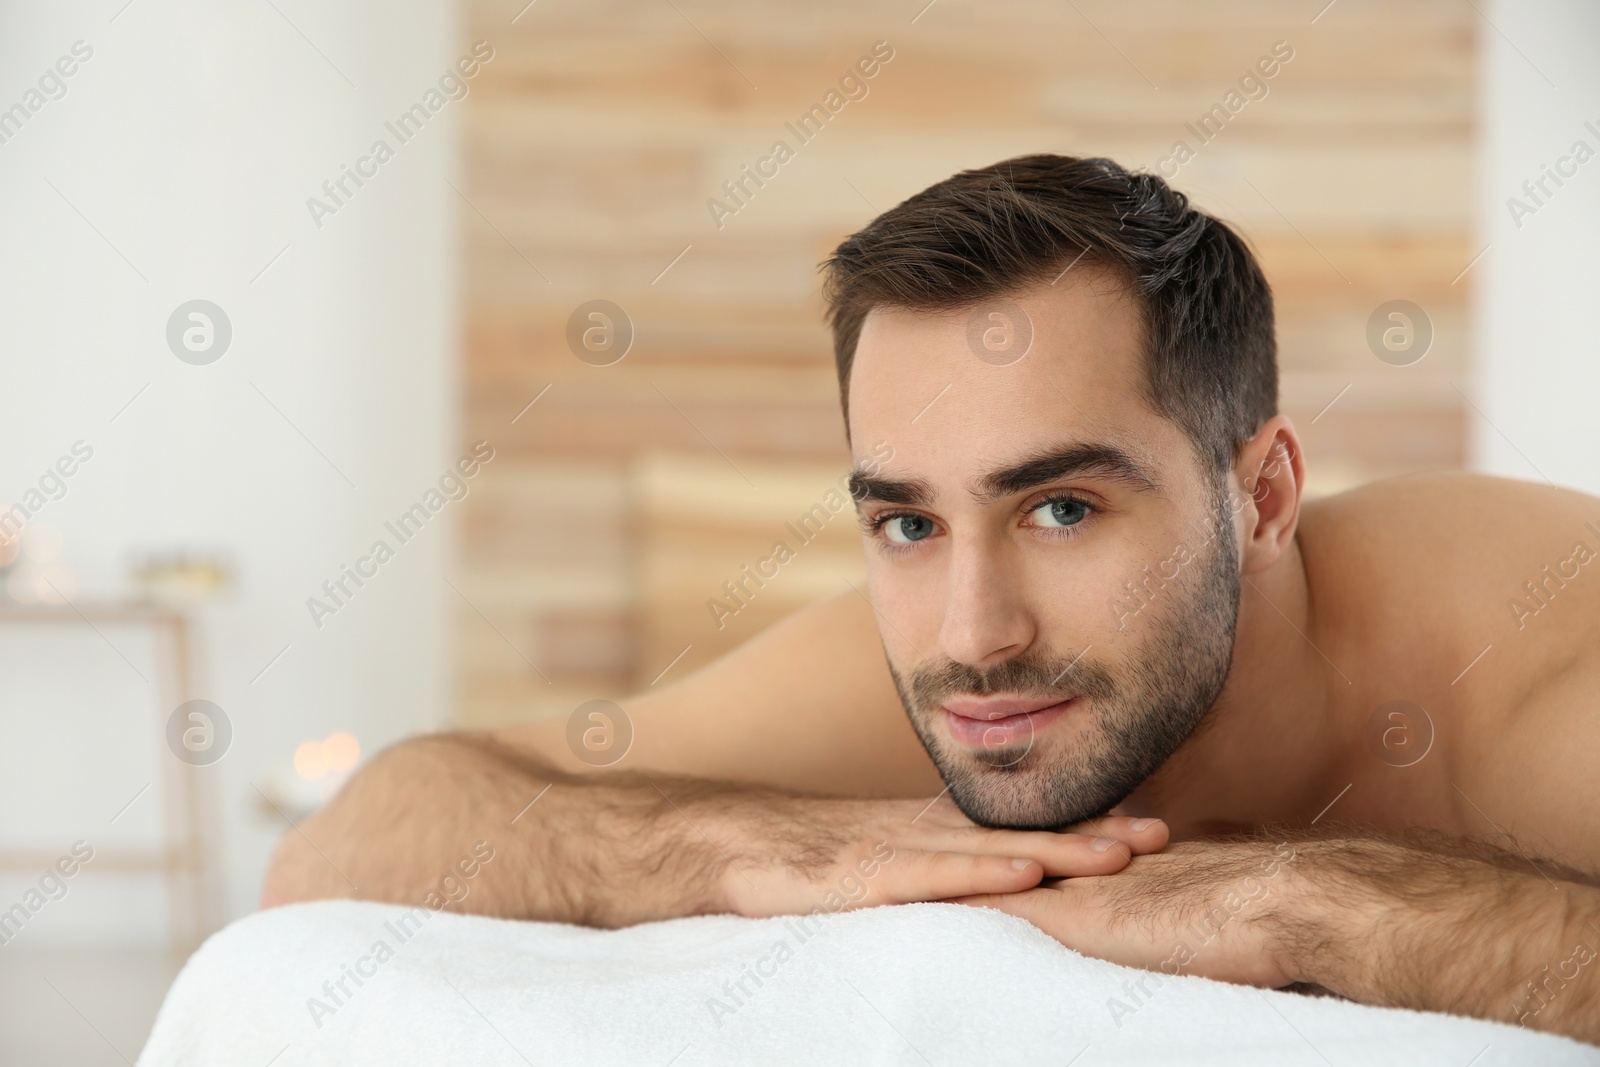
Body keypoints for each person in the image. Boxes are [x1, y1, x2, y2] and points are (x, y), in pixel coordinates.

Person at [264, 154, 1600, 1043]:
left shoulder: (1542, 666)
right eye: (905, 521)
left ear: (1261, 497)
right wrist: (729, 850)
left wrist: (1299, 902)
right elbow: (340, 847)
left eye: (1062, 509)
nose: (971, 636)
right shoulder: (948, 671)